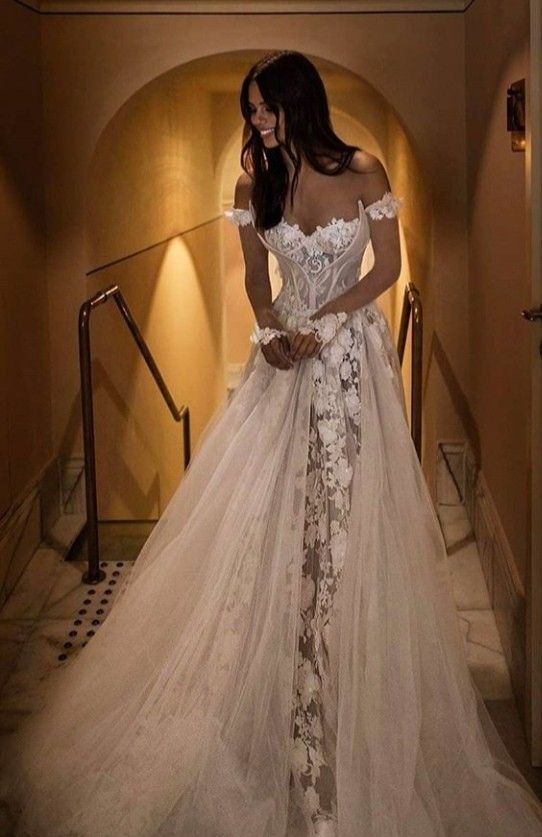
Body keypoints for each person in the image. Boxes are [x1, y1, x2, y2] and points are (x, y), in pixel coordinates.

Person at [1, 50, 542, 837]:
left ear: (298, 102)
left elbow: (387, 268)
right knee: (272, 525)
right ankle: (278, 687)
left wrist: (327, 322)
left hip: (352, 362)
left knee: (346, 528)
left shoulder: (363, 169)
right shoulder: (254, 184)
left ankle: (341, 689)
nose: (254, 121)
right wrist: (268, 329)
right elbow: (256, 277)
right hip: (285, 360)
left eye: (264, 107)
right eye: (249, 110)